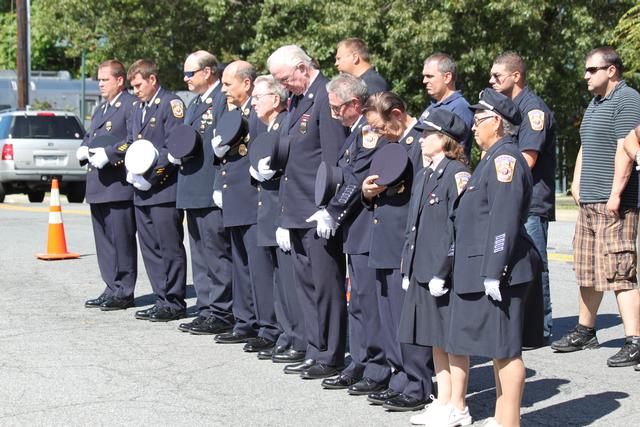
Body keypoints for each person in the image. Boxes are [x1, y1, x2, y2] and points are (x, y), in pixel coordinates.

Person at [448, 88, 540, 427]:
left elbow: (503, 219)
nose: (472, 126)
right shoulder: (491, 158)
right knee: (499, 348)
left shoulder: (506, 160)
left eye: (479, 119)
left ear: (497, 123)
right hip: (494, 266)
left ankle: (509, 421)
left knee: (505, 349)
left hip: (505, 269)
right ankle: (503, 418)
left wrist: (493, 270)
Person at [552, 47, 640, 368]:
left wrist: (616, 193)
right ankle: (585, 330)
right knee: (587, 269)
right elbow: (586, 145)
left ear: (611, 71)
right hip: (589, 201)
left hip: (614, 203)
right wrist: (576, 182)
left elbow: (628, 148)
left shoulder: (627, 99)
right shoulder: (595, 103)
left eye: (592, 70)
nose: (586, 75)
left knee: (620, 270)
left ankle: (635, 340)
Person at [267, 45, 348, 379]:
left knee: (325, 287)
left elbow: (331, 160)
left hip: (316, 212)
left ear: (302, 67)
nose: (284, 86)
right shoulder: (297, 100)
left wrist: (329, 208)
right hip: (296, 209)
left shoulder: (324, 97)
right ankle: (314, 349)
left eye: (286, 79)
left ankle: (330, 354)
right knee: (306, 286)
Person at [312, 74, 389, 395]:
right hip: (355, 229)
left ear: (354, 105)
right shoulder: (354, 131)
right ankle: (359, 360)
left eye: (336, 109)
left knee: (369, 303)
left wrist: (333, 211)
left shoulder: (369, 131)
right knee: (357, 300)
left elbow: (358, 178)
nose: (333, 115)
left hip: (367, 227)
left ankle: (377, 366)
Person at [397, 109, 472, 426]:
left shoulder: (456, 174)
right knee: (434, 338)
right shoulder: (427, 172)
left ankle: (459, 405)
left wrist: (444, 268)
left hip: (443, 272)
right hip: (423, 268)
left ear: (443, 139)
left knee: (452, 341)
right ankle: (443, 400)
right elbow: (415, 226)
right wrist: (407, 267)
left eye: (427, 134)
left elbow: (459, 228)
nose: (422, 138)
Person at [361, 92, 434, 412]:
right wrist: (366, 191)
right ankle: (399, 376)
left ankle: (419, 383)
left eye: (380, 127)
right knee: (388, 317)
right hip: (383, 239)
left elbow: (423, 200)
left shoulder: (420, 144)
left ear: (398, 114)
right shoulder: (391, 145)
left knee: (407, 318)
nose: (377, 134)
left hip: (404, 243)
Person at [211, 61, 279, 353]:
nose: (224, 89)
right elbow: (227, 157)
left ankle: (267, 327)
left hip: (252, 197)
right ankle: (245, 321)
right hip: (235, 197)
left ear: (247, 84)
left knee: (259, 268)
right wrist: (218, 186)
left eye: (228, 84)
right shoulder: (233, 111)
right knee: (240, 264)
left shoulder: (256, 113)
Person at [490, 51, 556, 345]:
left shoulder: (532, 110)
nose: (491, 80)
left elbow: (527, 159)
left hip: (531, 202)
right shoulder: (509, 109)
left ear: (516, 76)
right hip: (513, 199)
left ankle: (540, 326)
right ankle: (521, 322)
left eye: (497, 76)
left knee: (535, 262)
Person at [172, 50, 234, 335]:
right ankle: (206, 307)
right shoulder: (196, 102)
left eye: (190, 73)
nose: (185, 78)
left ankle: (222, 311)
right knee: (200, 253)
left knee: (215, 253)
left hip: (209, 186)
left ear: (207, 72)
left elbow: (225, 143)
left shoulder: (222, 99)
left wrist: (220, 185)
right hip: (193, 187)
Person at [249, 75, 307, 363]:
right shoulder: (268, 126)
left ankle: (298, 338)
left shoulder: (284, 124)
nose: (254, 102)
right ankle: (286, 335)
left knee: (288, 281)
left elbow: (291, 172)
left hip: (282, 210)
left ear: (275, 99)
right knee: (277, 280)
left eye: (258, 97)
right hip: (268, 210)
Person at [125, 59, 188, 322]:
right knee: (150, 247)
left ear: (152, 79)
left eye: (139, 85)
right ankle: (160, 297)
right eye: (132, 87)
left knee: (169, 246)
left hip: (164, 189)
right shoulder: (137, 108)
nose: (136, 91)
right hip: (141, 190)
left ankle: (173, 301)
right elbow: (132, 144)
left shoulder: (170, 104)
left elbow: (175, 146)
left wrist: (152, 176)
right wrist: (133, 171)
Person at [80, 60, 138, 311]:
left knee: (121, 240)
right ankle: (111, 286)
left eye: (105, 79)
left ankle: (124, 290)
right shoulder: (102, 108)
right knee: (104, 241)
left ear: (120, 80)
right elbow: (91, 135)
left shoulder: (130, 105)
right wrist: (83, 146)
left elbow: (133, 139)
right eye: (99, 79)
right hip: (98, 184)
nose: (100, 84)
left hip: (117, 184)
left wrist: (112, 154)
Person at [420, 53, 474, 158]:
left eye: (430, 76)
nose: (424, 81)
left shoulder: (460, 108)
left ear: (447, 77)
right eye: (424, 76)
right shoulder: (432, 107)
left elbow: (456, 151)